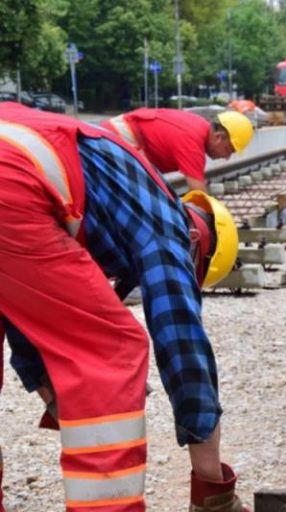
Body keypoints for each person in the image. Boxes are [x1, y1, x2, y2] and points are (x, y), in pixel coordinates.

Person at [0, 102, 247, 511]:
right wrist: (213, 490)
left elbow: (29, 312)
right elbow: (183, 350)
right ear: (198, 249)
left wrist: (53, 391)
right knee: (109, 352)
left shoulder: (119, 194)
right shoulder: (171, 229)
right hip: (11, 180)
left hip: (14, 173)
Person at [101, 108, 254, 193]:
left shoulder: (199, 126)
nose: (226, 157)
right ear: (219, 137)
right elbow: (198, 193)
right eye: (229, 150)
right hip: (117, 138)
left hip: (117, 134)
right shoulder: (193, 141)